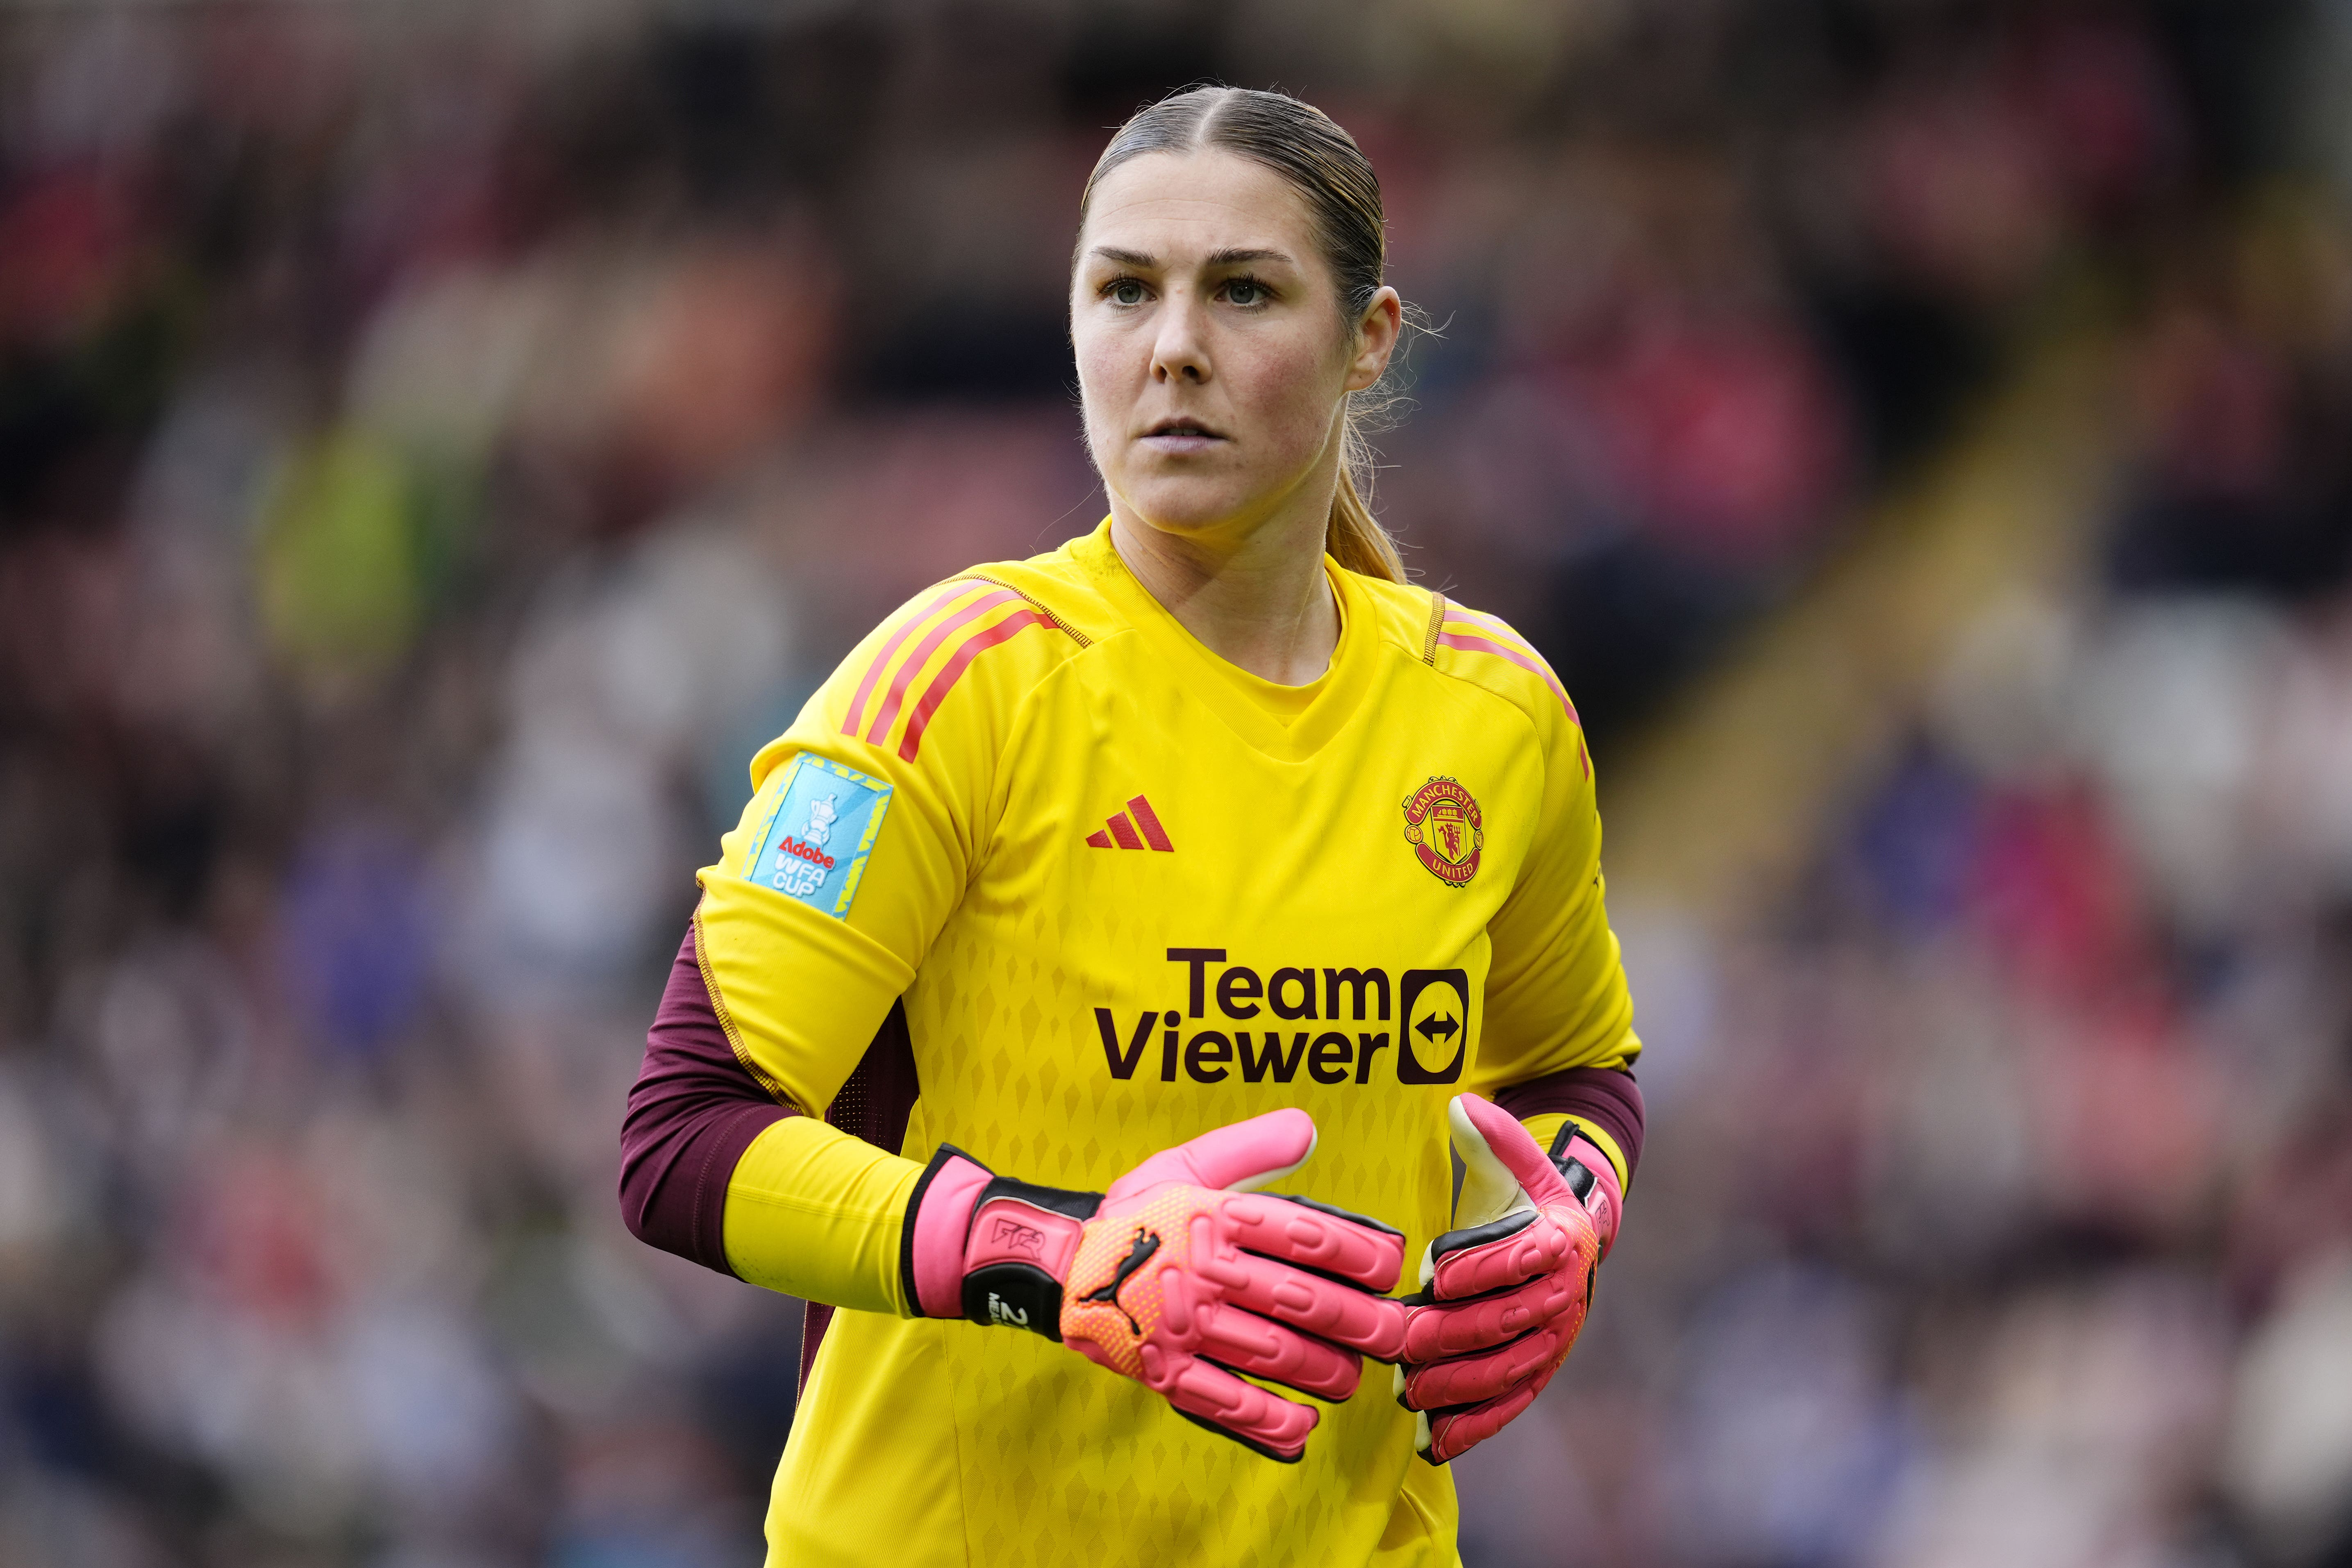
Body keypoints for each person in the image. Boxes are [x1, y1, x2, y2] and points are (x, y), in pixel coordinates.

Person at [619, 85, 1644, 1567]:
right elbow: (684, 1137)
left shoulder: (1493, 717)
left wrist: (1568, 1230)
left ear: (1369, 337)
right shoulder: (955, 685)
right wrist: (1053, 1253)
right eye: (1124, 290)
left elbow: (1576, 1072)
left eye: (1241, 291)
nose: (1172, 347)